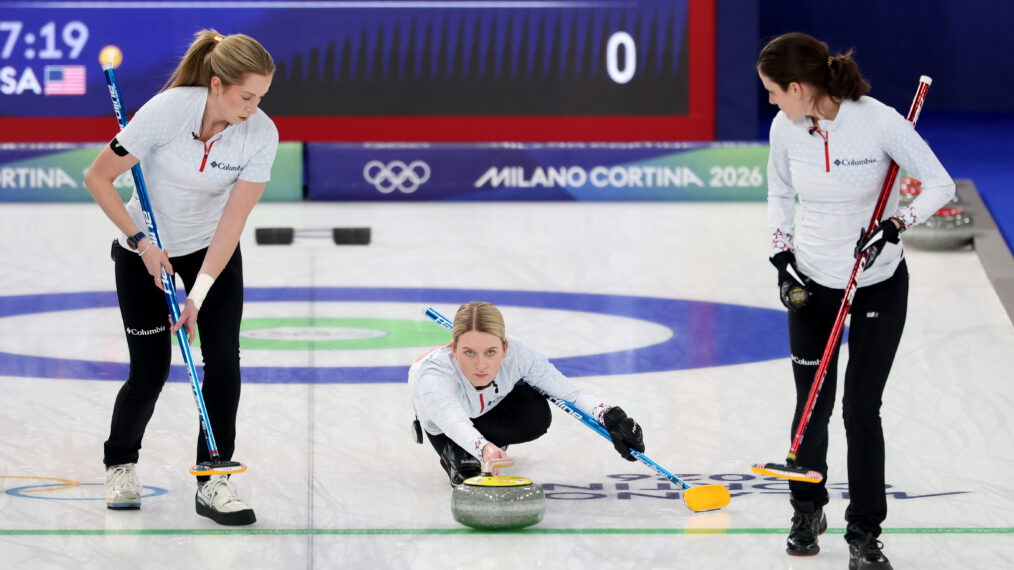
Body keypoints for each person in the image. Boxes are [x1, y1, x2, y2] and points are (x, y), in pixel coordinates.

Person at [757, 32, 954, 569]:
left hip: (878, 282)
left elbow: (939, 184)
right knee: (812, 404)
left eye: (774, 91)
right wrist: (782, 260)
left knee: (860, 409)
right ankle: (807, 508)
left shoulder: (879, 120)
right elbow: (779, 192)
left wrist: (896, 224)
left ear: (799, 87)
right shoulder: (785, 128)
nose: (770, 101)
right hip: (814, 283)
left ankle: (865, 532)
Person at [84, 29, 278, 526]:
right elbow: (98, 178)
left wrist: (200, 291)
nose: (253, 108)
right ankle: (120, 463)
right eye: (246, 96)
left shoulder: (260, 134)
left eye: (261, 98)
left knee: (223, 362)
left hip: (211, 254)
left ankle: (214, 478)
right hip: (144, 251)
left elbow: (233, 221)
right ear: (217, 84)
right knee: (149, 373)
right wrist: (142, 245)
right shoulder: (169, 111)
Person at [409, 302, 645, 485]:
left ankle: (489, 438)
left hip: (486, 406)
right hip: (447, 428)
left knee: (534, 413)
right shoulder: (432, 376)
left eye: (491, 352)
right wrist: (484, 448)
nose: (480, 365)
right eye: (469, 353)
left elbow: (570, 394)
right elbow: (453, 422)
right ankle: (456, 451)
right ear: (453, 349)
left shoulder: (519, 355)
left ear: (505, 347)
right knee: (464, 458)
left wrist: (611, 416)